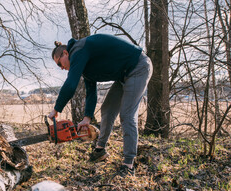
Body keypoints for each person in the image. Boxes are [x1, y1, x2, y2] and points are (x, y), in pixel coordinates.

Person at [48, 33, 153, 176]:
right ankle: (100, 150)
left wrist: (56, 109)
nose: (61, 68)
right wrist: (87, 118)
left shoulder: (78, 50)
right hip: (124, 75)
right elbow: (91, 92)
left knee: (127, 115)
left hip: (138, 66)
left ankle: (128, 165)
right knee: (108, 110)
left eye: (59, 63)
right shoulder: (83, 62)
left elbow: (71, 84)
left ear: (65, 53)